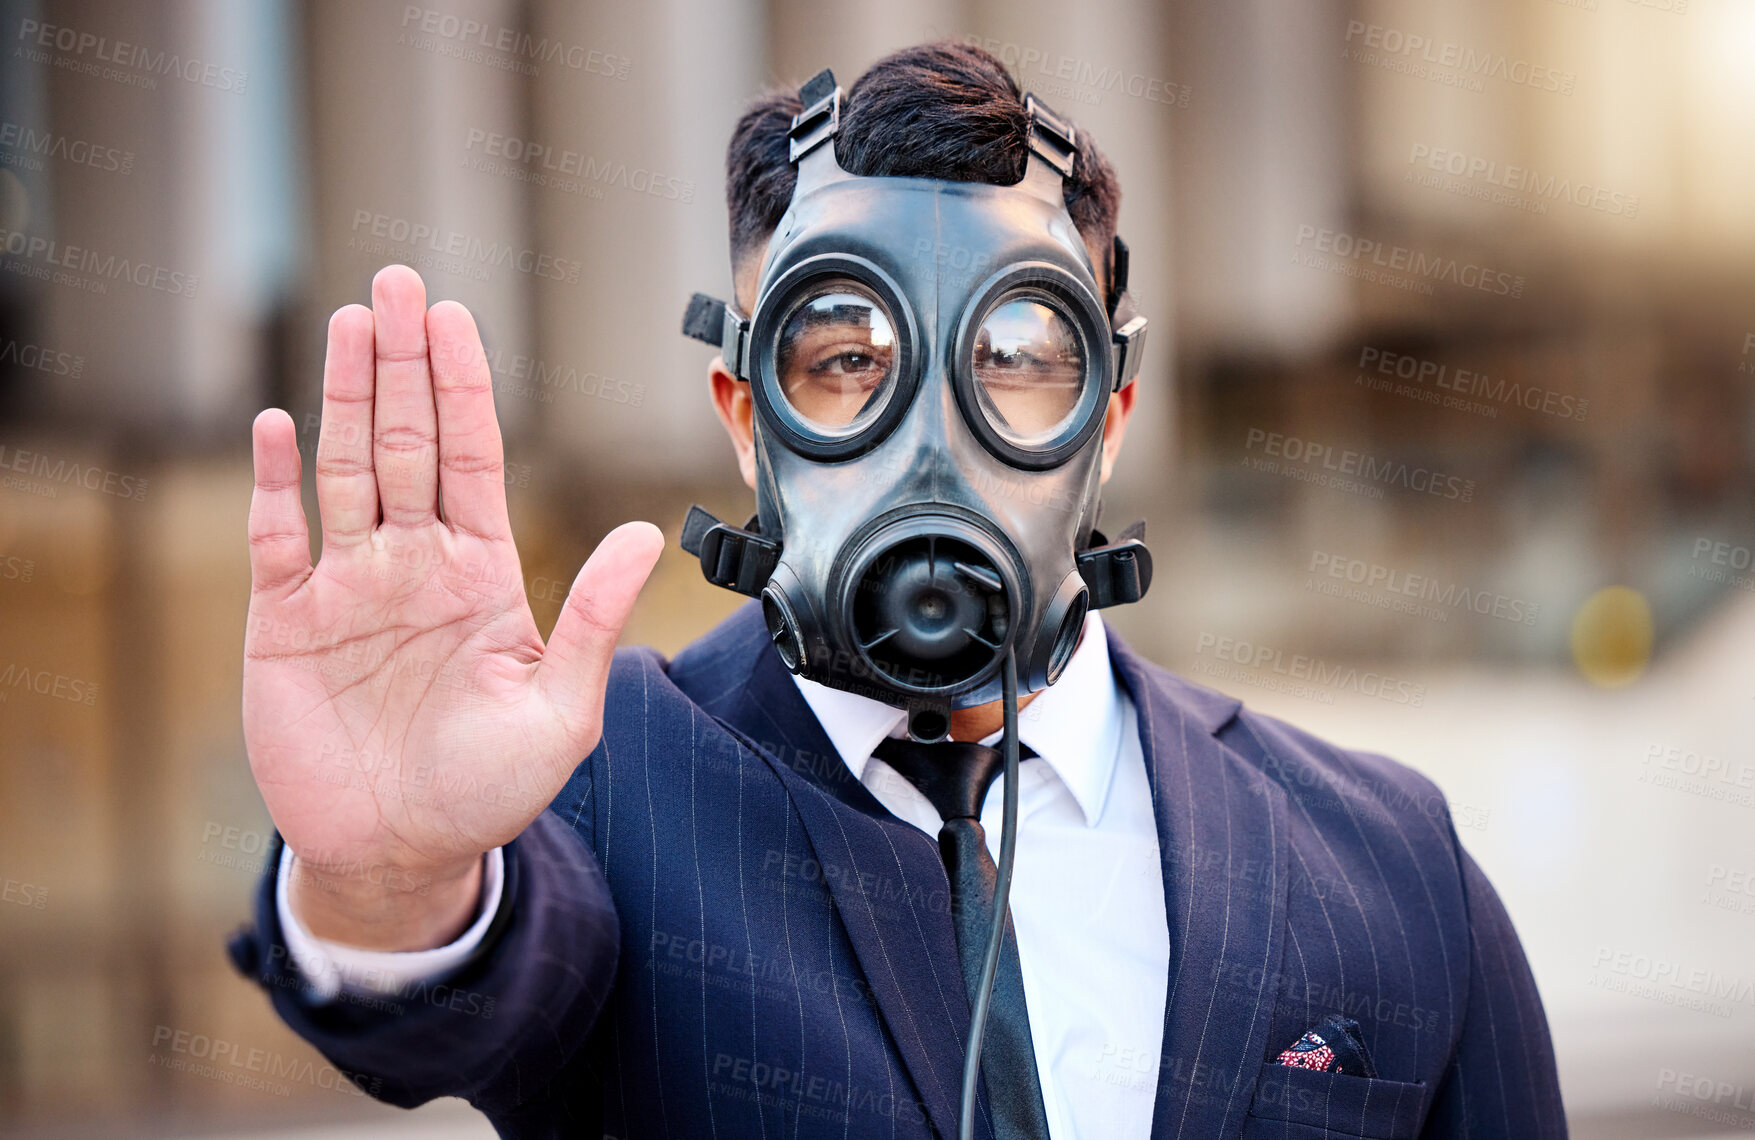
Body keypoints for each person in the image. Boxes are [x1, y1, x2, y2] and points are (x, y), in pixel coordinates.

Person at [230, 42, 1566, 1140]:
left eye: (1020, 352)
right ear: (746, 414)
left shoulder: (1386, 867)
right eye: (844, 356)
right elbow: (468, 990)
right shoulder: (595, 784)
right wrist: (396, 875)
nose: (936, 440)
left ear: (1109, 416)